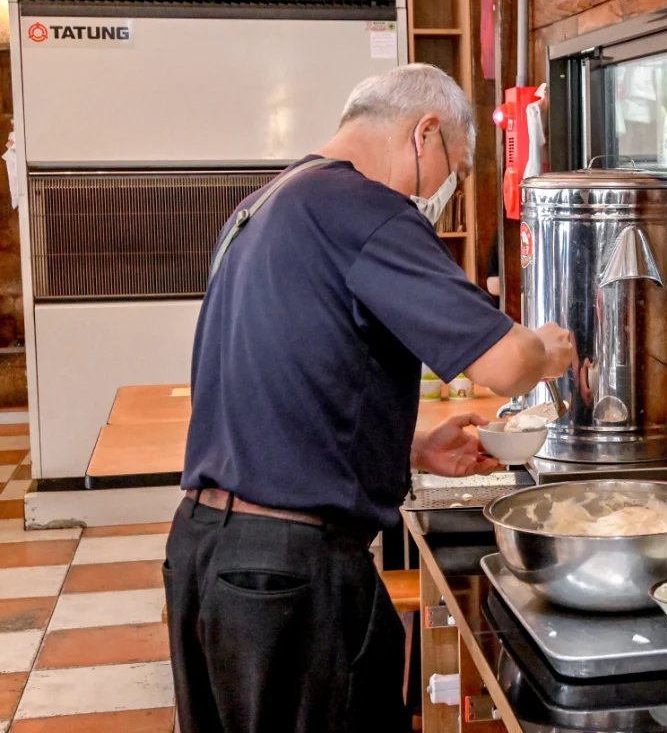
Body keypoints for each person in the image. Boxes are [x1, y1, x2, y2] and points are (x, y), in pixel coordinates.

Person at [164, 63, 574, 733]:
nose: (449, 189)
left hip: (206, 556)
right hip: (287, 575)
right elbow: (503, 365)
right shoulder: (364, 209)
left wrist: (410, 449)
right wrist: (549, 349)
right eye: (459, 169)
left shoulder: (264, 205)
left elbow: (281, 392)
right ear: (426, 134)